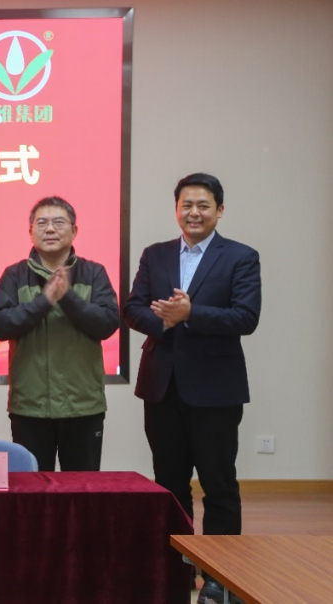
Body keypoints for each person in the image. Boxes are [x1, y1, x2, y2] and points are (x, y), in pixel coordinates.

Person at [123, 173, 260, 604]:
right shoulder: (156, 254)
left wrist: (191, 314)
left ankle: (221, 578)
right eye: (187, 205)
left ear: (219, 210)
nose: (194, 213)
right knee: (169, 484)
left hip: (216, 391)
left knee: (219, 485)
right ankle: (174, 571)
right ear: (176, 209)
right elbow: (132, 308)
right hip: (162, 387)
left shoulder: (240, 257)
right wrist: (164, 321)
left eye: (203, 205)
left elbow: (246, 317)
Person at [0, 196, 119, 472]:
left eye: (58, 222)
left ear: (74, 230)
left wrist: (67, 297)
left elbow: (108, 323)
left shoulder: (94, 273)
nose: (50, 229)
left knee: (82, 488)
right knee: (33, 488)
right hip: (30, 406)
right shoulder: (13, 275)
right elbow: (0, 325)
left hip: (83, 405)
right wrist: (44, 301)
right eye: (42, 223)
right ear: (30, 231)